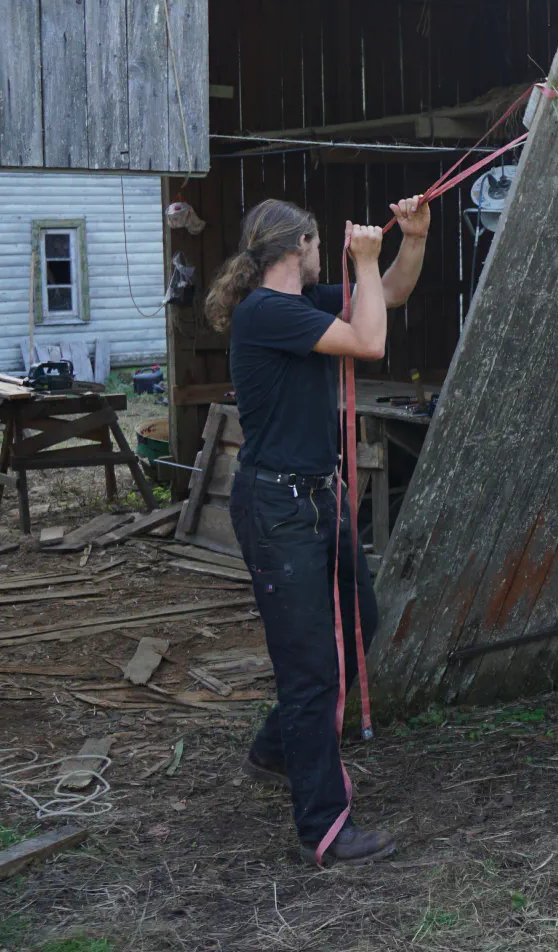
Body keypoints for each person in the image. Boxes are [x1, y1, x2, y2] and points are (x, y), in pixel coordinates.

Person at [203, 193, 431, 867]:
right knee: (312, 671)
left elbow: (384, 295)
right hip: (278, 509)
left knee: (359, 616)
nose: (322, 249)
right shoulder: (268, 311)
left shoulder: (299, 303)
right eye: (317, 242)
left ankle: (276, 749)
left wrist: (408, 241)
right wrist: (363, 257)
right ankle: (325, 828)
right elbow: (369, 341)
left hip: (313, 502)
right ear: (298, 245)